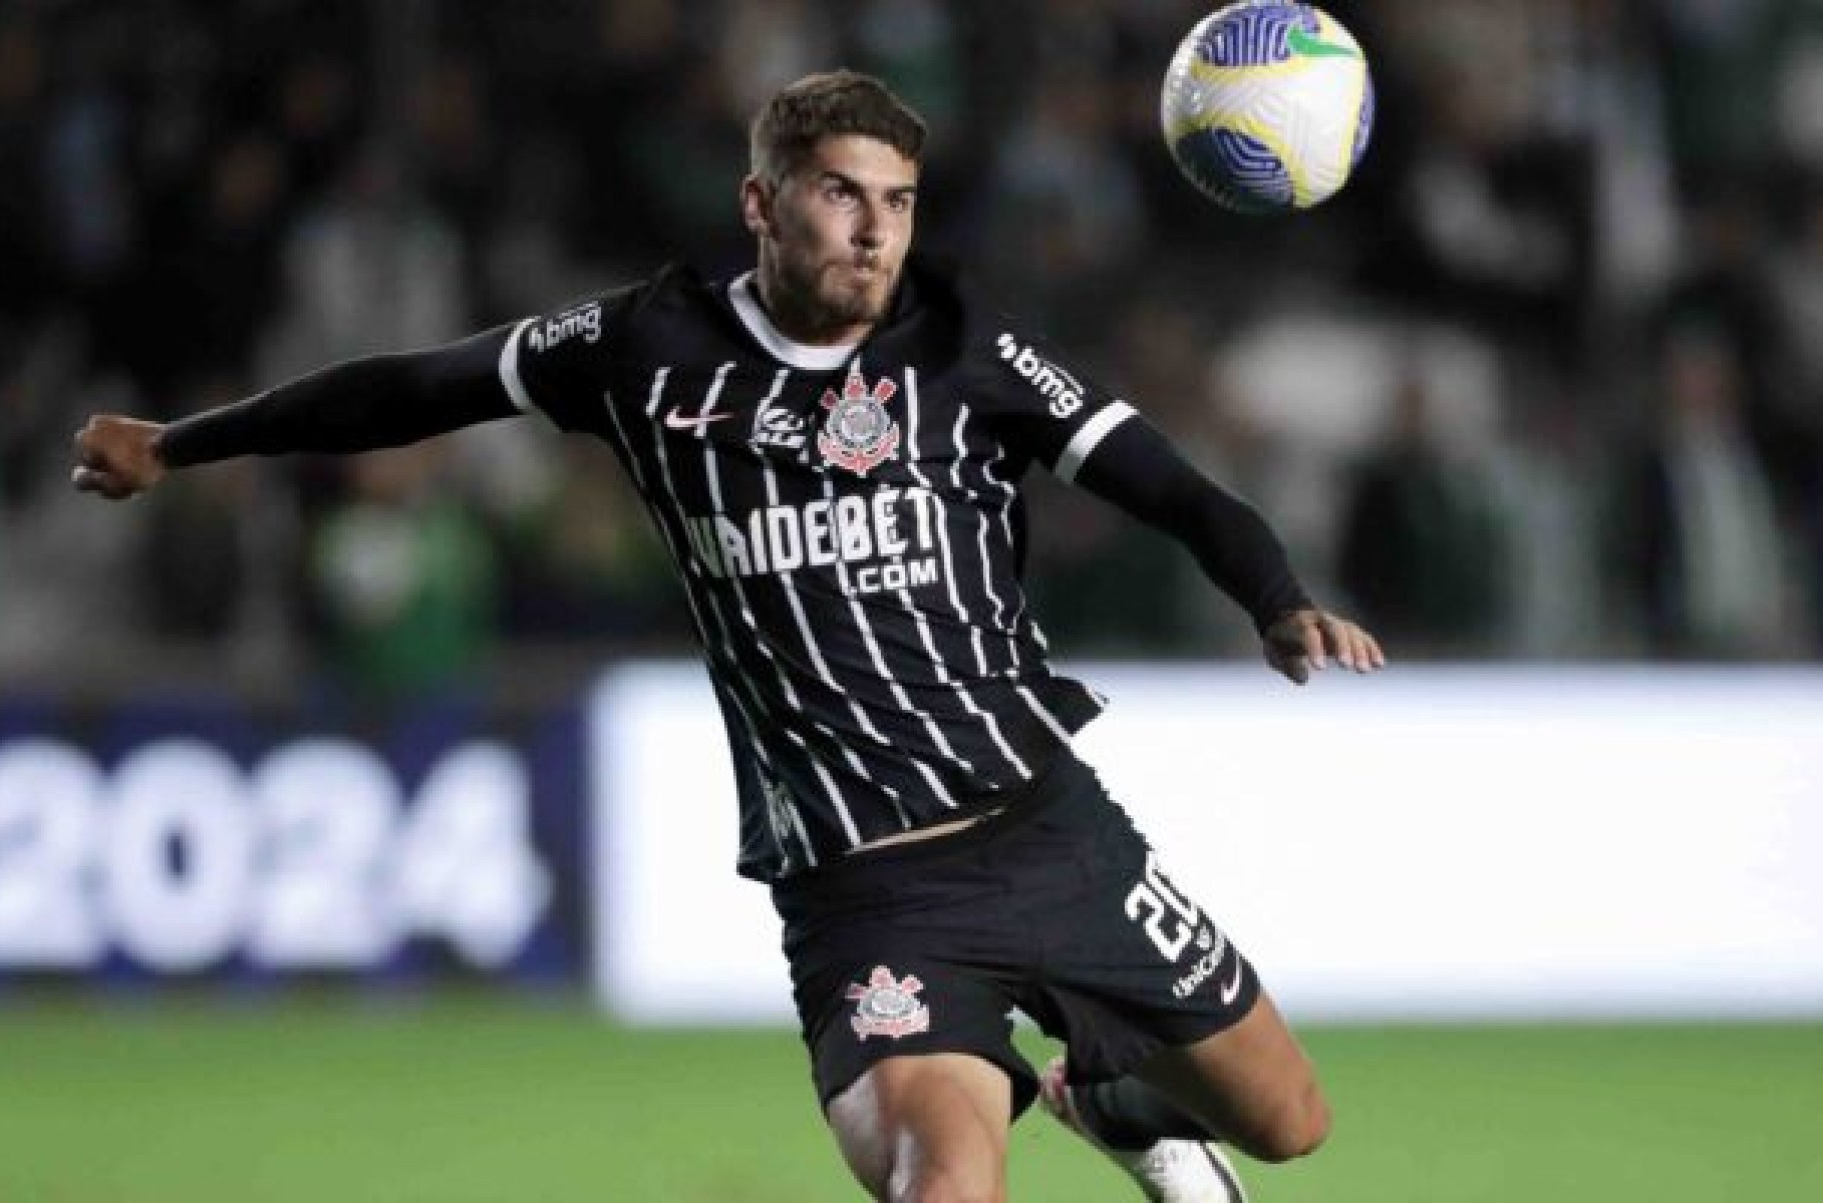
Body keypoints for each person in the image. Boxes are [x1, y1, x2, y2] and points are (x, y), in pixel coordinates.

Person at [73, 71, 1385, 1203]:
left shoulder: (964, 348)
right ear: (760, 203)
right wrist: (183, 445)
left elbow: (1169, 484)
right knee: (951, 1184)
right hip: (868, 894)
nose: (876, 234)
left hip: (1050, 829)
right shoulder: (646, 346)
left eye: (900, 203)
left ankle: (1114, 1107)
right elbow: (414, 390)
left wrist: (1275, 595)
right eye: (840, 195)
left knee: (1289, 1124)